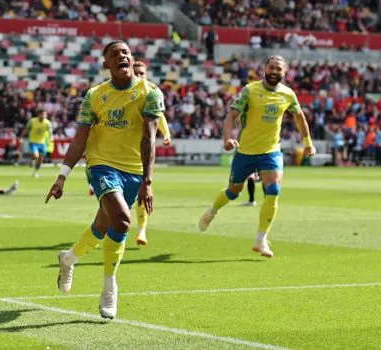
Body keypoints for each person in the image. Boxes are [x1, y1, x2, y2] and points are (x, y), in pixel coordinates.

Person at [45, 40, 162, 319]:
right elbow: (79, 139)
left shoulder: (151, 93)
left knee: (103, 225)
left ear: (132, 59)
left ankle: (69, 258)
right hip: (101, 165)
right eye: (114, 54)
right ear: (106, 64)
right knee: (122, 220)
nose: (121, 56)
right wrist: (62, 176)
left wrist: (147, 181)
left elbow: (149, 139)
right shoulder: (95, 95)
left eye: (126, 53)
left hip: (133, 170)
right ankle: (110, 286)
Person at [198, 56, 316, 258]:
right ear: (264, 68)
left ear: (284, 73)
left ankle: (261, 239)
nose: (274, 71)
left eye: (278, 69)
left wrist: (308, 143)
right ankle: (212, 210)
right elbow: (231, 116)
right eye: (271, 67)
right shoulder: (250, 90)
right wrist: (227, 138)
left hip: (271, 151)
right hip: (245, 151)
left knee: (274, 189)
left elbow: (299, 117)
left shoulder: (288, 94)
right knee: (233, 192)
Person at [132, 60, 171, 246]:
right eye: (136, 72)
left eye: (142, 73)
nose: (139, 76)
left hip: (141, 149)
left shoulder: (152, 91)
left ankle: (141, 231)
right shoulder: (121, 91)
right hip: (121, 149)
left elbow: (159, 115)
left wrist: (166, 132)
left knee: (143, 190)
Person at [21, 110, 52, 178]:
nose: (44, 116)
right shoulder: (32, 121)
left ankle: (36, 172)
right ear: (39, 115)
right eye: (42, 114)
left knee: (40, 159)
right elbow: (26, 129)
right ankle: (32, 160)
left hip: (42, 143)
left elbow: (50, 132)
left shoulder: (48, 123)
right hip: (33, 141)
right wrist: (22, 137)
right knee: (36, 155)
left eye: (45, 115)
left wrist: (51, 137)